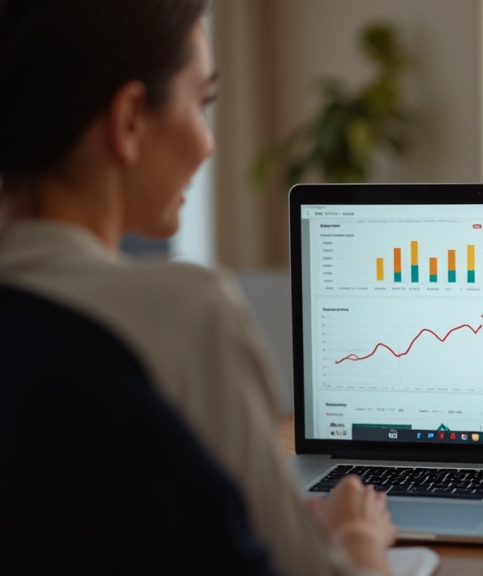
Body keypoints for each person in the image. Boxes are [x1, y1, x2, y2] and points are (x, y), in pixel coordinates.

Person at [0, 1, 396, 575]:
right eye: (202, 101)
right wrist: (357, 539)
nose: (209, 143)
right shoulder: (184, 311)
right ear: (130, 118)